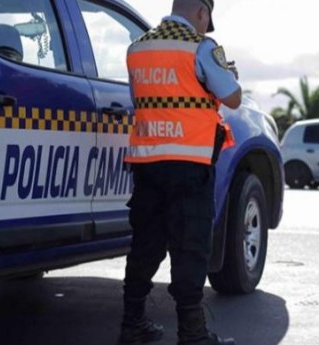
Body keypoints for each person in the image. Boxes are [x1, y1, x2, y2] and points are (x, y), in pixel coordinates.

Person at [120, 0, 240, 344]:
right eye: (206, 20)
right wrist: (230, 75)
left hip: (147, 163)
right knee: (190, 245)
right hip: (189, 165)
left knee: (145, 244)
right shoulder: (200, 48)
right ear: (202, 13)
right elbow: (232, 97)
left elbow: (138, 98)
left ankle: (132, 323)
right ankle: (192, 333)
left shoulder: (137, 48)